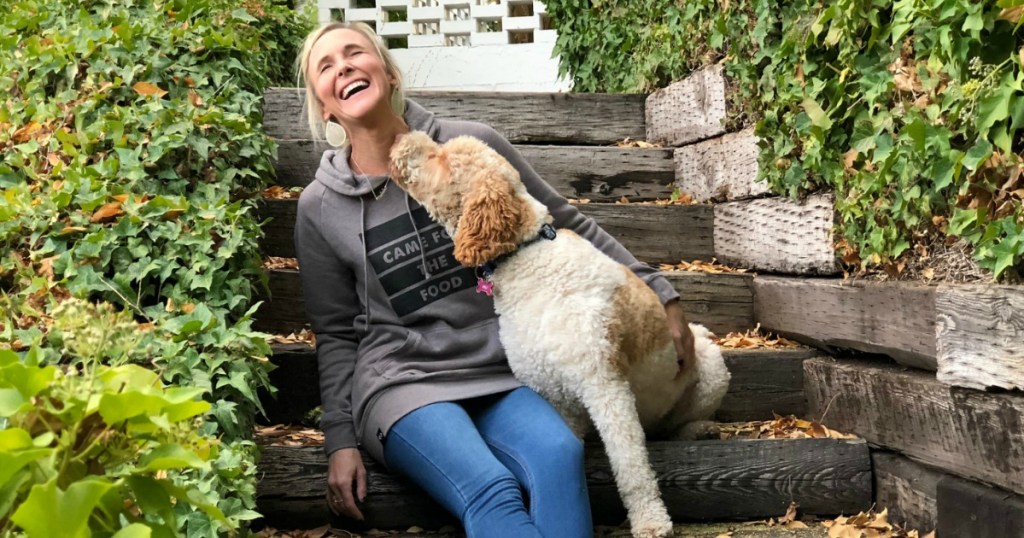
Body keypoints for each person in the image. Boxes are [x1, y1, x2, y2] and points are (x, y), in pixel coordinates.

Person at [293, 21, 696, 538]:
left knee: (560, 452)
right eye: (325, 66)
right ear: (323, 104)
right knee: (491, 488)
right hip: (403, 383)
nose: (343, 66)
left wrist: (659, 290)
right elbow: (335, 334)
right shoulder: (320, 206)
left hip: (502, 368)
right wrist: (340, 440)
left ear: (389, 72)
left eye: (355, 53)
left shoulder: (469, 147)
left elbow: (563, 221)